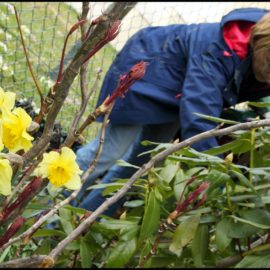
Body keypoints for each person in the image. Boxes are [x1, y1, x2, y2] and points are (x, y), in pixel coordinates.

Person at [74, 7, 270, 215]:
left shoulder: (259, 52)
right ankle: (47, 210)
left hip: (176, 98)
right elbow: (199, 117)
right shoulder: (218, 49)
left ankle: (87, 219)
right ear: (260, 48)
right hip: (147, 73)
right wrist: (214, 173)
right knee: (108, 152)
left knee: (143, 163)